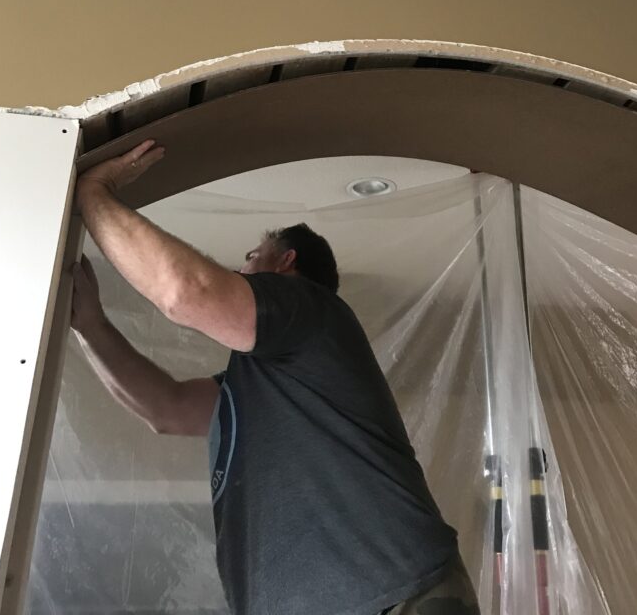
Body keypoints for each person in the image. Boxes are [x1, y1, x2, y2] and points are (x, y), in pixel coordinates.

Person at [72, 139, 480, 615]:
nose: (240, 269)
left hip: (394, 596)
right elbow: (166, 408)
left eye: (251, 256)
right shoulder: (262, 383)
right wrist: (91, 326)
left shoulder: (310, 308)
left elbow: (185, 292)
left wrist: (94, 194)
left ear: (285, 263)